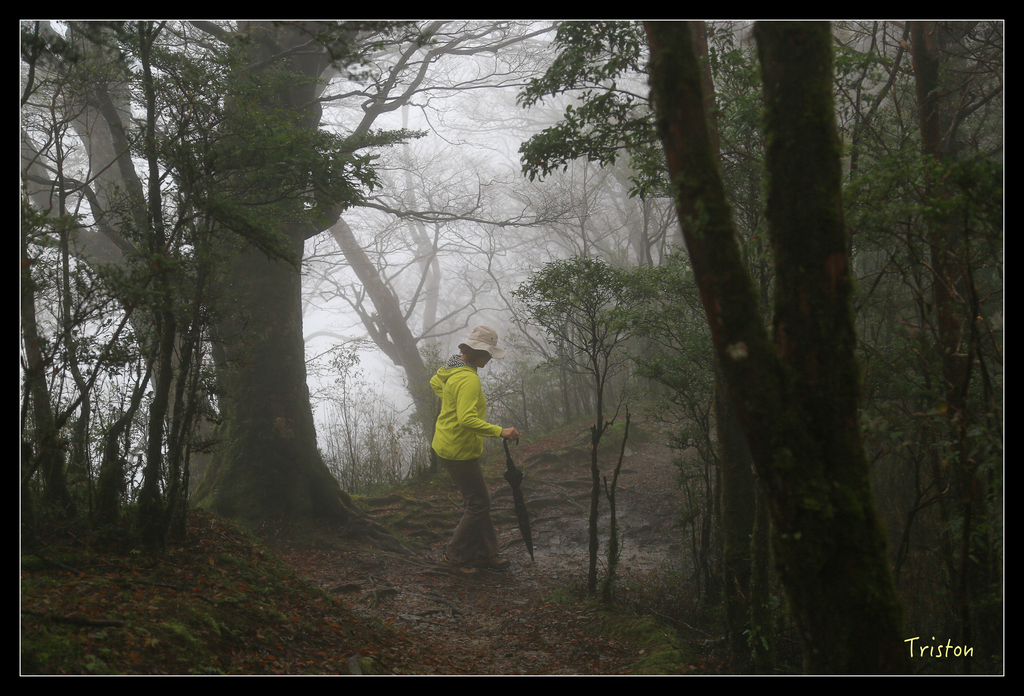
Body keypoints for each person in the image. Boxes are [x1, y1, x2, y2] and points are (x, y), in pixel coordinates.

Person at [430, 326, 520, 572]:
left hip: (446, 443)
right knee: (479, 504)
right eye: (488, 354)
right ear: (476, 353)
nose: (490, 359)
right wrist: (500, 431)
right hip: (458, 450)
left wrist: (450, 397)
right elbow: (466, 420)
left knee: (479, 502)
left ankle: (486, 553)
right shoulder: (468, 379)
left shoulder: (455, 368)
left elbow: (435, 381)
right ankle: (455, 557)